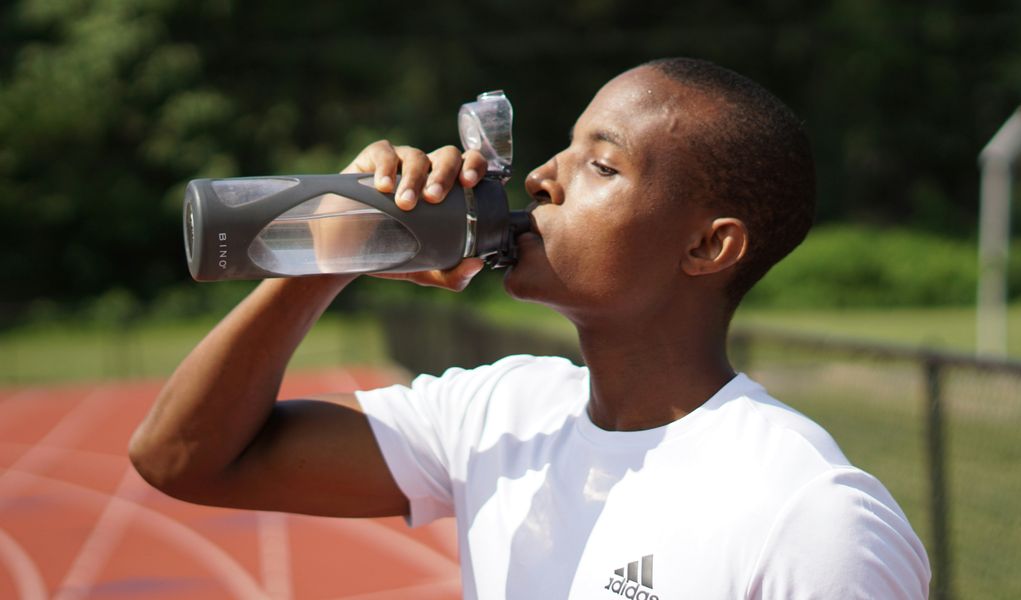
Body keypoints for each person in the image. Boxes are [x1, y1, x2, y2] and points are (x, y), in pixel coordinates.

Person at [130, 57, 930, 599]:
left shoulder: (810, 515)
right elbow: (182, 457)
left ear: (707, 246)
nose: (543, 178)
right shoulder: (503, 412)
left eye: (602, 165)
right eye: (563, 149)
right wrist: (337, 241)